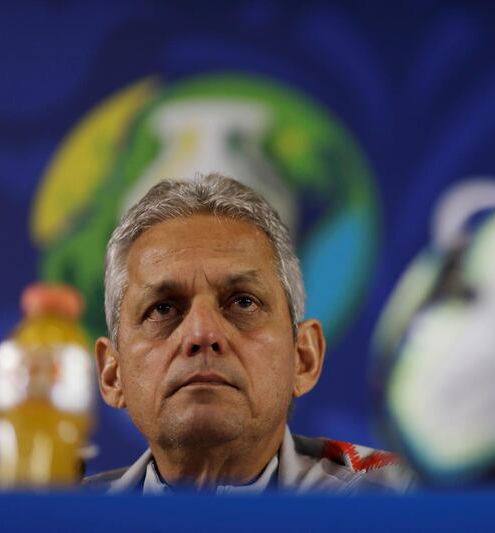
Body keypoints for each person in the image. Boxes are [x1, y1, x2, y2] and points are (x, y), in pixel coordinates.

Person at [85, 174, 413, 494]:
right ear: (113, 373)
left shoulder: (409, 504)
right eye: (163, 309)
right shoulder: (57, 520)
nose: (202, 333)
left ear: (303, 357)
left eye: (243, 302)